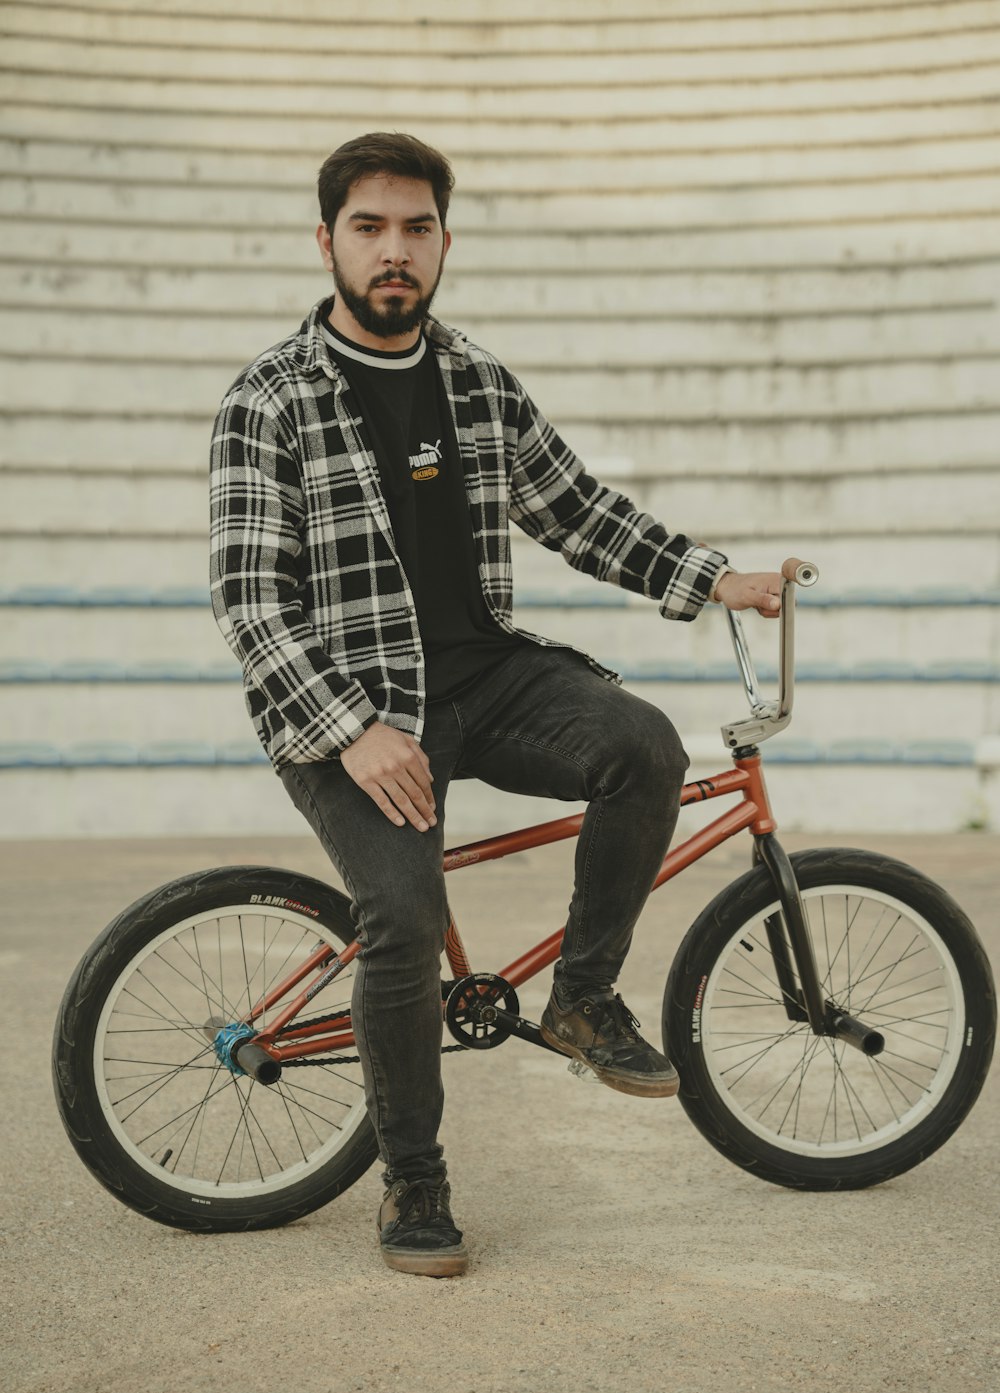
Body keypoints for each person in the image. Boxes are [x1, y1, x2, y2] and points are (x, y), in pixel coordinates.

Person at [210, 132, 783, 1279]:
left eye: (415, 229)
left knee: (644, 746)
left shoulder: (472, 378)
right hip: (349, 706)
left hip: (482, 678)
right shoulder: (267, 400)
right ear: (326, 242)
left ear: (443, 243)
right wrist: (353, 732)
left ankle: (581, 1001)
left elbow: (574, 508)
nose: (393, 253)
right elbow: (249, 605)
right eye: (368, 229)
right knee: (405, 923)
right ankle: (412, 1180)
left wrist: (713, 576)